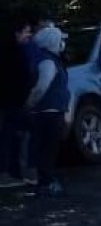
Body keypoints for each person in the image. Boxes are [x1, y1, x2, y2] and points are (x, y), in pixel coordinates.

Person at [25, 26, 70, 197]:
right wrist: (30, 104)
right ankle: (46, 183)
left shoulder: (50, 59)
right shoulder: (48, 61)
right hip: (47, 112)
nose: (63, 43)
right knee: (47, 150)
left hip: (50, 111)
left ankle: (45, 181)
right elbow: (41, 87)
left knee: (46, 149)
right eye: (60, 40)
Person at [0, 15, 34, 187]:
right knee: (11, 137)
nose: (29, 35)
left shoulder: (12, 51)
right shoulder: (14, 53)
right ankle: (8, 172)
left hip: (12, 101)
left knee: (12, 136)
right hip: (13, 102)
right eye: (26, 32)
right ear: (17, 33)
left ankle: (12, 172)